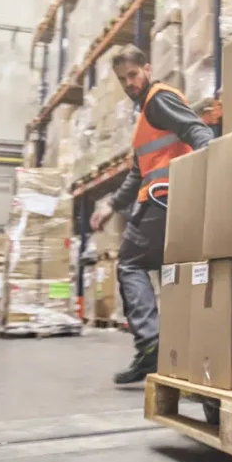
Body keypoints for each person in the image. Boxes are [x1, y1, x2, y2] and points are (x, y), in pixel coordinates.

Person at [92, 46, 212, 385]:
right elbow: (136, 172)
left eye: (133, 75)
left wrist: (212, 169)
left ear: (147, 69)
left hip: (163, 199)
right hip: (167, 199)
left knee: (130, 263)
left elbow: (198, 131)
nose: (129, 83)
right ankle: (175, 353)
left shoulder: (158, 99)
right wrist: (110, 207)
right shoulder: (145, 115)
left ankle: (149, 346)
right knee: (168, 276)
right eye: (122, 79)